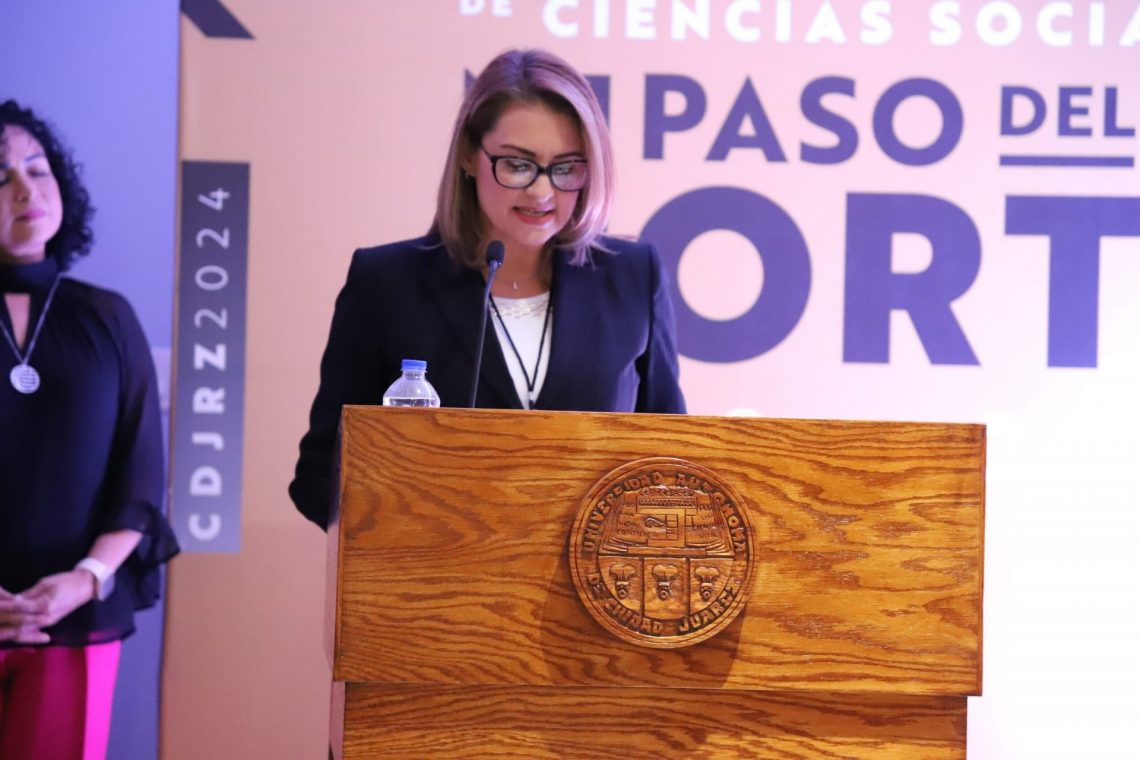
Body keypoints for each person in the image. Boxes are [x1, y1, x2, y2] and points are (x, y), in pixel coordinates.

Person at [290, 48, 686, 530]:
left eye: (566, 168)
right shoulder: (386, 283)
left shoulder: (634, 277)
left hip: (598, 573)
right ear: (468, 157)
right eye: (518, 165)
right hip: (439, 569)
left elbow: (676, 464)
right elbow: (320, 476)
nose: (542, 192)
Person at [0, 100, 179, 760]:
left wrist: (85, 577)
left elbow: (141, 474)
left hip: (77, 615)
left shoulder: (108, 317)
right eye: (0, 177)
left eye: (38, 168)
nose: (27, 190)